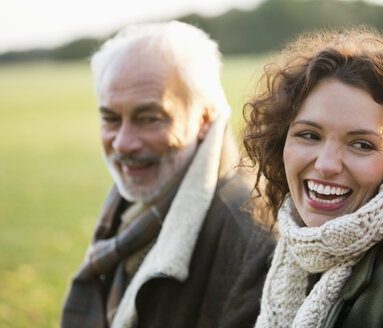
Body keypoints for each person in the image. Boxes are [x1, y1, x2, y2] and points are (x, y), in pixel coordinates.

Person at [61, 21, 275, 328]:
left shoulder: (249, 232)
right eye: (110, 118)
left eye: (149, 118)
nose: (123, 143)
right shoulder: (143, 198)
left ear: (204, 119)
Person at [243, 27, 383, 328]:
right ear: (280, 143)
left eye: (361, 144)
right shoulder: (294, 251)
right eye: (309, 135)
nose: (326, 165)